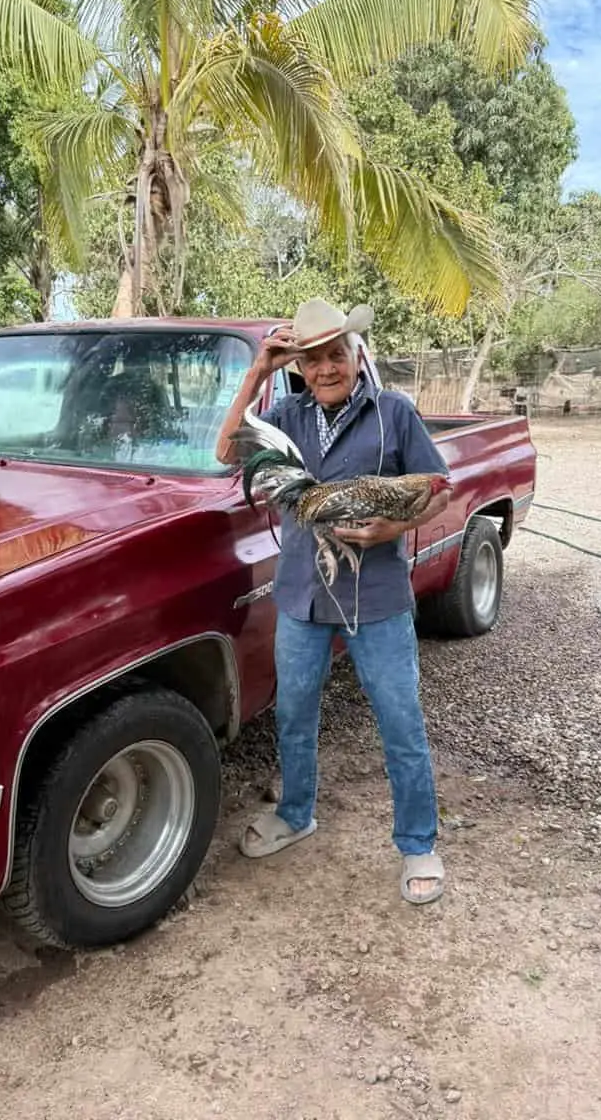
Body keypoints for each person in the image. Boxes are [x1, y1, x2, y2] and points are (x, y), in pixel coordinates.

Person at [215, 298, 452, 905]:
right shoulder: (285, 415)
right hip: (301, 593)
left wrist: (389, 531)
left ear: (356, 355)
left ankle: (418, 842)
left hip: (377, 596)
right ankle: (297, 814)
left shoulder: (394, 412)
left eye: (336, 355)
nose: (326, 368)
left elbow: (437, 492)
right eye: (313, 360)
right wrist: (257, 372)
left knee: (399, 720)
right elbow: (224, 455)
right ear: (299, 368)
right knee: (294, 715)